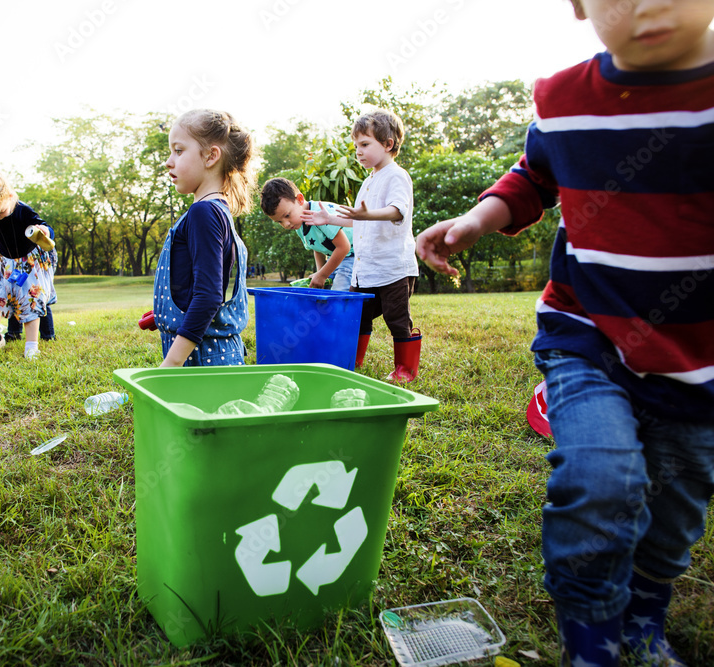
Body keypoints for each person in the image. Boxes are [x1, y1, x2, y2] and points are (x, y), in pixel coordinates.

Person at [416, 1, 714, 664]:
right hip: (588, 335)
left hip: (698, 356)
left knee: (674, 510)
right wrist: (475, 220)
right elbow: (534, 177)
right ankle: (592, 636)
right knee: (601, 476)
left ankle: (644, 616)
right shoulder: (564, 99)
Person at [305, 110, 421, 380]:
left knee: (397, 319)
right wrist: (329, 219)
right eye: (356, 145)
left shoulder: (396, 176)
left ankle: (405, 369)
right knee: (356, 316)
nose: (358, 151)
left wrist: (367, 214)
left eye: (365, 144)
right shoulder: (368, 182)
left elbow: (397, 210)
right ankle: (352, 360)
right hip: (365, 268)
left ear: (388, 144)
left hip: (393, 267)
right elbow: (359, 220)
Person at [154, 109, 255, 367]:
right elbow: (201, 288)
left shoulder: (204, 212)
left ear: (211, 156)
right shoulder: (216, 212)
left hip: (204, 363)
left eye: (178, 150)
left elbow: (209, 297)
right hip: (213, 356)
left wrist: (171, 364)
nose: (169, 161)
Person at [0, 169, 58, 360]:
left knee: (31, 300)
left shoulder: (22, 210)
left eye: (1, 212)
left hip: (29, 260)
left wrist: (44, 231)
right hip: (4, 261)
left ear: (9, 195)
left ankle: (32, 347)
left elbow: (46, 227)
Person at [260, 177, 354, 291]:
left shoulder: (319, 214)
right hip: (337, 257)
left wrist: (322, 275)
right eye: (279, 221)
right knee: (320, 290)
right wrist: (320, 272)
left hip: (353, 255)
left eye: (287, 215)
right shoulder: (298, 223)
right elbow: (318, 247)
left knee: (338, 293)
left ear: (300, 199)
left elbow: (344, 247)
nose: (286, 224)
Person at [5, 222, 56, 344]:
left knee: (39, 296)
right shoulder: (5, 222)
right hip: (18, 261)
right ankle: (14, 333)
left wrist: (46, 231)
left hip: (39, 258)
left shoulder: (25, 215)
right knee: (16, 295)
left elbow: (50, 232)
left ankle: (48, 335)